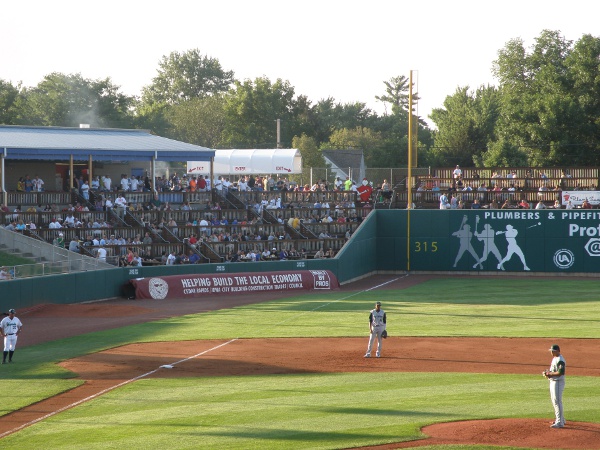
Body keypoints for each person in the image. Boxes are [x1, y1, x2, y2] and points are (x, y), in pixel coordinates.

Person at [543, 344, 566, 428]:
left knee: (557, 401)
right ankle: (561, 419)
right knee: (554, 400)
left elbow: (560, 372)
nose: (552, 352)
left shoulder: (560, 360)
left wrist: (549, 374)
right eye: (551, 351)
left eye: (553, 351)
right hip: (553, 381)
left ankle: (559, 422)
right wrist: (548, 373)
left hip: (558, 382)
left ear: (558, 351)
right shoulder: (555, 358)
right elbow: (554, 370)